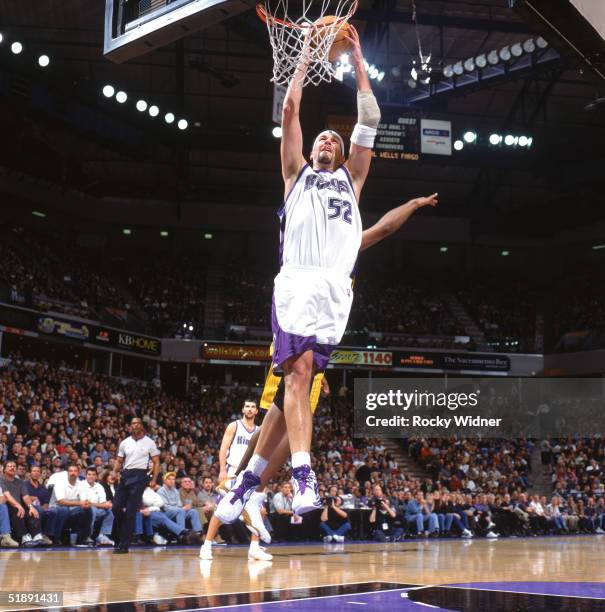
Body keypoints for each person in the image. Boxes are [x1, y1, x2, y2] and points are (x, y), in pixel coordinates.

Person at [200, 400, 271, 561]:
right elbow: (223, 449)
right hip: (233, 471)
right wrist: (223, 469)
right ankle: (206, 545)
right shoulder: (234, 426)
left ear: (257, 411)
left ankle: (254, 548)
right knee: (220, 511)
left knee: (260, 511)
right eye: (247, 406)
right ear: (242, 409)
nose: (250, 409)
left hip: (252, 474)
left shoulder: (261, 431)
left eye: (253, 407)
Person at [112, 416, 160, 554]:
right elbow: (119, 460)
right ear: (130, 426)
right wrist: (114, 472)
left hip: (140, 476)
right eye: (133, 423)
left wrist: (154, 478)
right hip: (126, 474)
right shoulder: (124, 442)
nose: (135, 425)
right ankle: (121, 535)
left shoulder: (149, 442)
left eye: (137, 423)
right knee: (116, 507)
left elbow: (156, 462)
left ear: (142, 426)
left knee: (131, 511)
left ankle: (124, 544)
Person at [0, 460, 47, 546]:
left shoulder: (20, 482)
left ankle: (37, 535)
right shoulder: (1, 480)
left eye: (14, 466)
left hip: (19, 505)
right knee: (17, 512)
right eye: (9, 466)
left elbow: (25, 496)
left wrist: (31, 506)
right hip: (7, 505)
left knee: (33, 511)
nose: (12, 468)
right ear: (4, 469)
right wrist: (18, 505)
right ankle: (23, 537)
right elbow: (7, 496)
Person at [49, 464, 93, 546]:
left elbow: (84, 501)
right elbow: (61, 502)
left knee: (87, 509)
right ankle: (56, 538)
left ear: (78, 473)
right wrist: (80, 503)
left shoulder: (80, 484)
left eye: (75, 471)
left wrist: (85, 504)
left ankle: (82, 538)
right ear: (67, 473)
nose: (73, 473)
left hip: (73, 510)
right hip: (57, 508)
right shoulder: (60, 483)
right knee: (64, 510)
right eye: (71, 471)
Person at [80, 467, 114, 546]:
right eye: (89, 474)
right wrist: (103, 505)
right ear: (86, 476)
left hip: (97, 509)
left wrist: (107, 505)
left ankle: (102, 535)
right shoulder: (82, 484)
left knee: (110, 510)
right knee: (92, 510)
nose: (91, 476)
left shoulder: (99, 486)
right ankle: (88, 536)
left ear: (96, 476)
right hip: (83, 509)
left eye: (93, 475)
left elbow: (103, 502)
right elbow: (86, 503)